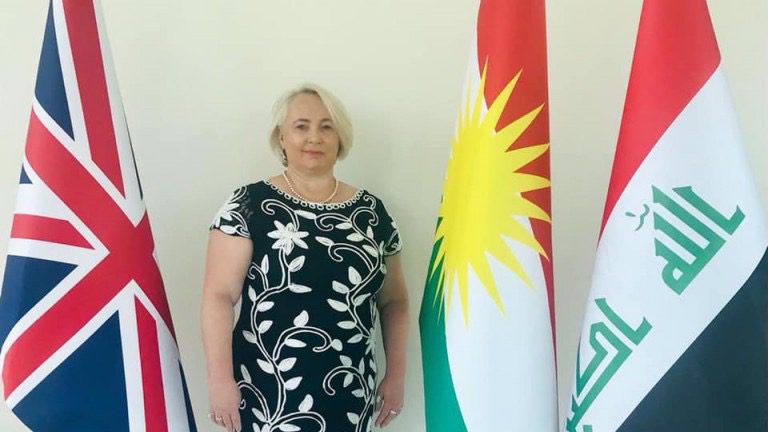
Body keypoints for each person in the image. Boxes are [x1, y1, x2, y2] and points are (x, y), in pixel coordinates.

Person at [201, 83, 410, 432]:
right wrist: (219, 380)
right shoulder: (247, 205)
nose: (314, 137)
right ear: (281, 137)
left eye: (327, 127)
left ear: (340, 138)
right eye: (301, 126)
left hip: (350, 389)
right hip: (268, 389)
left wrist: (397, 376)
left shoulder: (372, 214)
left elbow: (395, 302)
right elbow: (218, 297)